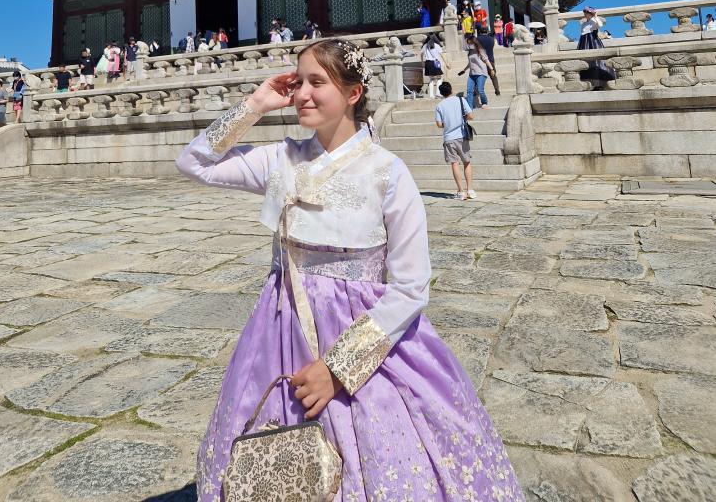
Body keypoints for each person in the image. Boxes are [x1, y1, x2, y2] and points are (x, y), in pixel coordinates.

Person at [175, 39, 524, 501]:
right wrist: (256, 103)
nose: (302, 94)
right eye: (297, 82)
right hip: (281, 331)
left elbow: (411, 288)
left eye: (317, 82)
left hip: (366, 341)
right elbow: (193, 162)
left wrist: (337, 369)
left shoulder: (387, 172)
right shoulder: (281, 161)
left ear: (354, 93)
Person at [435, 80, 476, 200]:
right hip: (462, 135)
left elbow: (439, 124)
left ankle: (461, 191)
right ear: (451, 90)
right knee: (467, 162)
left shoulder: (439, 106)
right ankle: (470, 190)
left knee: (455, 163)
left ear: (441, 93)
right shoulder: (461, 100)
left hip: (449, 138)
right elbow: (471, 116)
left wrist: (447, 124)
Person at [577, 6, 613, 89]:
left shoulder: (594, 21)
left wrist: (596, 16)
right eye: (585, 13)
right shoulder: (583, 24)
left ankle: (599, 83)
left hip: (594, 42)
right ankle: (587, 82)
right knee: (585, 62)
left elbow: (600, 25)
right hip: (584, 43)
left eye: (588, 13)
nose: (587, 14)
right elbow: (582, 34)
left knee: (597, 62)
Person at [464, 34, 493, 108]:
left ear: (474, 42)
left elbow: (486, 60)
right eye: (468, 43)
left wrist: (491, 69)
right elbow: (470, 63)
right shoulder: (470, 52)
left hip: (481, 73)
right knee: (469, 91)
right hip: (472, 74)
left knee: (480, 90)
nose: (469, 45)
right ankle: (469, 107)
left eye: (470, 43)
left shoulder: (480, 50)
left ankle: (484, 102)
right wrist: (464, 69)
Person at [420, 32, 448, 98]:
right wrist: (446, 64)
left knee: (431, 79)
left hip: (428, 63)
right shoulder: (437, 45)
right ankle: (438, 93)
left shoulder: (425, 45)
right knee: (439, 78)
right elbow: (442, 55)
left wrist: (422, 62)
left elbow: (421, 54)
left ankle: (431, 95)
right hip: (435, 63)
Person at [476, 26, 501, 96]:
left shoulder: (477, 39)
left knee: (478, 77)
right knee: (493, 76)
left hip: (480, 61)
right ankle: (497, 91)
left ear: (480, 32)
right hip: (490, 59)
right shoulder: (491, 39)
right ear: (487, 31)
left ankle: (477, 92)